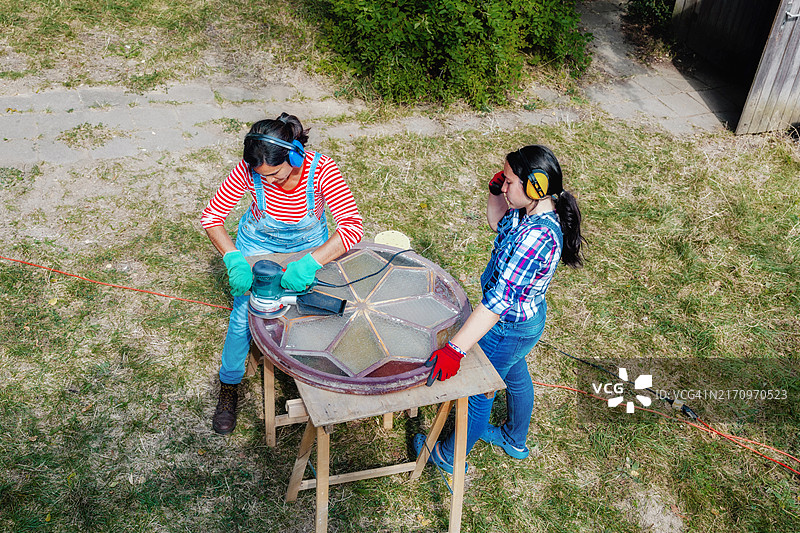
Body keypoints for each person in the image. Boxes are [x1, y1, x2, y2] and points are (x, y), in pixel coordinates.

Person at [414, 145, 583, 473]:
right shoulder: (527, 212)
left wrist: (454, 350)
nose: (503, 187)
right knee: (516, 376)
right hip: (522, 323)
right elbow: (496, 223)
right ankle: (514, 439)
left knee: (479, 395)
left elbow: (496, 304)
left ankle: (450, 457)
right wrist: (496, 191)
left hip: (507, 327)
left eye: (508, 182)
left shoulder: (537, 237)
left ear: (534, 186)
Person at [201, 113, 363, 434]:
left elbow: (352, 227)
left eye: (274, 174)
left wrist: (310, 263)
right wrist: (234, 258)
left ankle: (318, 373)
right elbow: (212, 217)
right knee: (243, 315)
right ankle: (229, 386)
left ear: (294, 154)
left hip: (309, 247)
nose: (269, 181)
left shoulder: (323, 171)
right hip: (259, 245)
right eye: (263, 175)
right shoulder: (251, 172)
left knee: (312, 308)